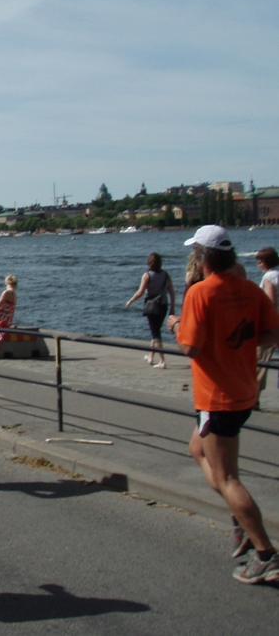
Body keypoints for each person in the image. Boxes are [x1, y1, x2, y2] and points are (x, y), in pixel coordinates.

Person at [167, 226, 279, 584]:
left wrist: (173, 324)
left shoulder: (201, 293)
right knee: (196, 448)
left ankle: (265, 553)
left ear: (201, 258)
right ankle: (242, 520)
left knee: (228, 477)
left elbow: (190, 347)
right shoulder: (248, 289)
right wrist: (242, 342)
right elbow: (273, 333)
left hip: (217, 397)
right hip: (244, 390)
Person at [125, 254, 176, 369]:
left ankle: (162, 361)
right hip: (163, 305)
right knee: (155, 329)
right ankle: (151, 356)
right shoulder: (166, 275)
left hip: (152, 307)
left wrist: (131, 300)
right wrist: (172, 308)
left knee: (156, 333)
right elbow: (172, 292)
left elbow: (140, 292)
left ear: (149, 263)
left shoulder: (147, 275)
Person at [254, 247, 279, 400]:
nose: (258, 265)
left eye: (259, 262)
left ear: (265, 262)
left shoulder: (269, 277)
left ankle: (254, 397)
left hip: (271, 324)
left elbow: (271, 301)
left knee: (262, 361)